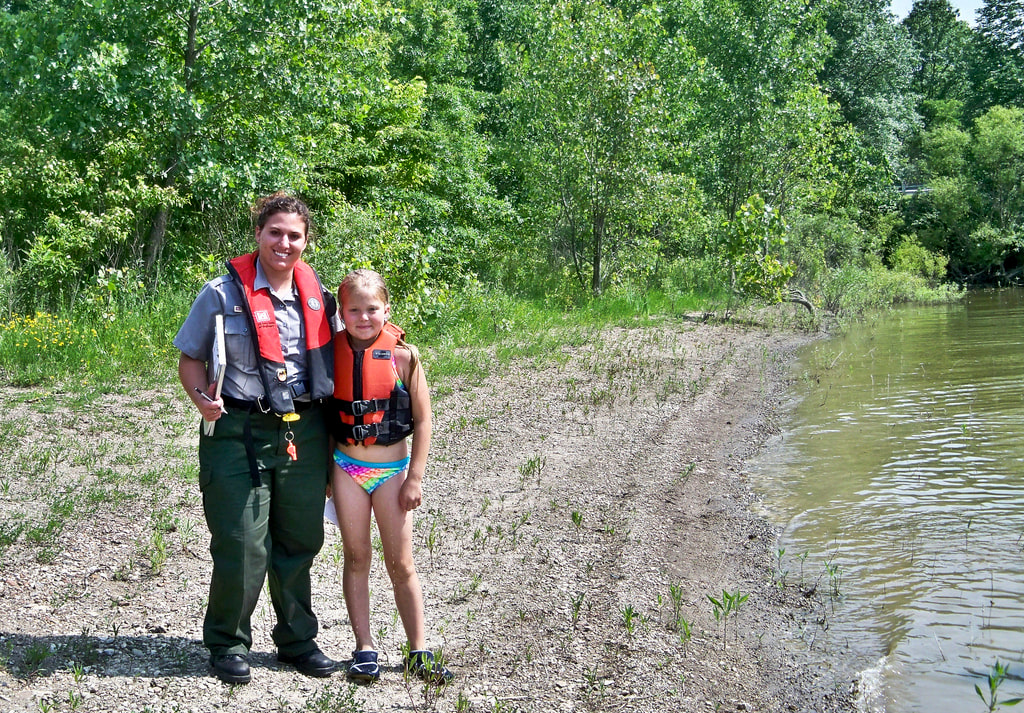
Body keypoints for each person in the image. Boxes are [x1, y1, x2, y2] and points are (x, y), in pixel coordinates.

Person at [174, 192, 338, 684]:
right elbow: (190, 360)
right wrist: (202, 398)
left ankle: (297, 640)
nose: (284, 243)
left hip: (303, 431)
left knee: (300, 539)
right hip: (237, 431)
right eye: (275, 232)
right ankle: (228, 642)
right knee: (242, 541)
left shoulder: (319, 297)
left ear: (306, 241)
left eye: (294, 235)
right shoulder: (222, 293)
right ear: (258, 235)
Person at [327, 269, 452, 685]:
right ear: (341, 313)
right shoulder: (329, 352)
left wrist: (415, 476)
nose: (364, 318)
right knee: (357, 557)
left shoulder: (404, 356)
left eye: (372, 309)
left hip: (393, 472)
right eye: (354, 310)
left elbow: (424, 418)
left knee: (400, 562)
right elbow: (324, 417)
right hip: (346, 469)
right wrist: (327, 473)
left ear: (387, 310)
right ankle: (364, 648)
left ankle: (418, 649)